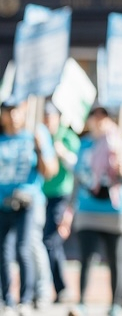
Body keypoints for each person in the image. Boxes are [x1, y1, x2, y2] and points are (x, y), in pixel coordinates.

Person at [65, 106, 122, 316]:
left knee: (116, 259)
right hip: (88, 210)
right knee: (86, 257)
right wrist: (69, 210)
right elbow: (78, 178)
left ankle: (116, 304)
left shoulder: (121, 143)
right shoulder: (85, 145)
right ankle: (81, 303)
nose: (98, 121)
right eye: (94, 117)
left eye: (102, 117)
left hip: (116, 211)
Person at [0, 101, 59, 314]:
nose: (13, 115)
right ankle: (7, 299)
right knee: (3, 252)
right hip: (2, 202)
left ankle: (27, 298)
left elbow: (51, 170)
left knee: (24, 249)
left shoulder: (35, 133)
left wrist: (41, 147)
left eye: (16, 110)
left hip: (28, 202)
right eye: (8, 111)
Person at [40, 102, 79, 305]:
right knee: (48, 244)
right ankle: (57, 287)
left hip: (61, 195)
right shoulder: (40, 135)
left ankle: (61, 287)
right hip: (41, 195)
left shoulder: (67, 137)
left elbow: (79, 166)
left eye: (50, 116)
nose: (47, 120)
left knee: (51, 241)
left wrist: (62, 153)